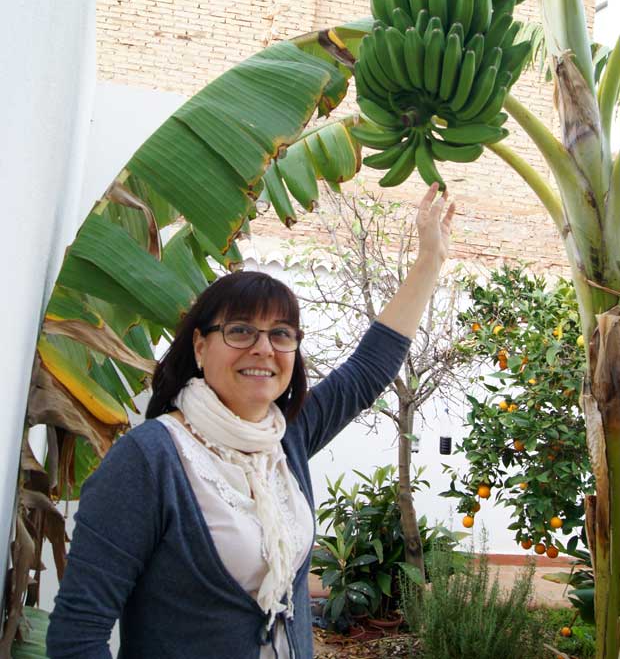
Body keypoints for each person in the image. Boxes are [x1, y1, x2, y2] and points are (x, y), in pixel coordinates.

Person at [47, 183, 455, 659]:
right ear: (200, 346)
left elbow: (367, 370)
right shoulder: (149, 460)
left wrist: (430, 261)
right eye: (240, 330)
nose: (263, 348)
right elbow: (77, 636)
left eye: (281, 334)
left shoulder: (287, 438)